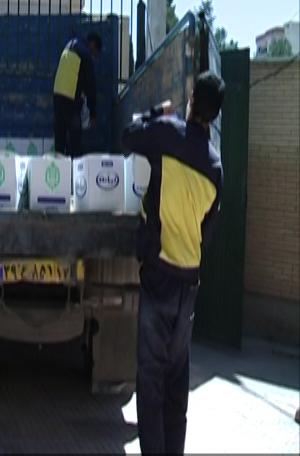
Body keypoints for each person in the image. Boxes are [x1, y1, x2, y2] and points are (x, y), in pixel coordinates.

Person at [121, 71, 225, 455]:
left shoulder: (167, 132)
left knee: (149, 385)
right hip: (188, 287)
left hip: (159, 277)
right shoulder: (216, 167)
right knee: (175, 388)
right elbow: (208, 233)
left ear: (191, 98)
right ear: (214, 115)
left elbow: (127, 136)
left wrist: (156, 111)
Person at [52, 32, 101, 157]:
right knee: (75, 138)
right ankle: (76, 168)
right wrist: (93, 113)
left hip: (57, 93)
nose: (93, 57)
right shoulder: (85, 53)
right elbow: (91, 86)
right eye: (94, 54)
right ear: (93, 45)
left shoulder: (70, 45)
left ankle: (59, 166)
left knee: (60, 134)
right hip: (70, 96)